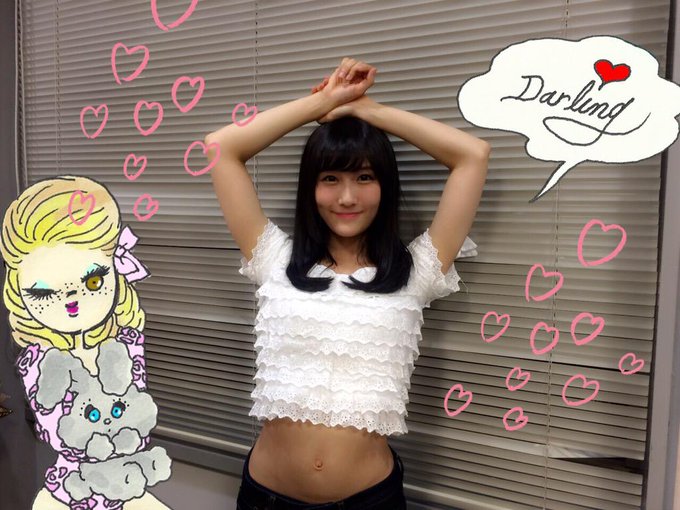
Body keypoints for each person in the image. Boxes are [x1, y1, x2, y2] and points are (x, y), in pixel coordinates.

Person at [205, 58, 489, 509]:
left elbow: (472, 155)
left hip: (367, 502)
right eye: (330, 179)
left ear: (384, 185)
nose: (347, 197)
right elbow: (221, 147)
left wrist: (365, 109)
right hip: (265, 498)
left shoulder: (416, 271)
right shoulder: (274, 259)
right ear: (311, 188)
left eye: (364, 177)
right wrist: (324, 102)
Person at [1, 176, 172, 510]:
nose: (71, 301)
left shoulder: (124, 341)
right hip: (69, 494)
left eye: (93, 282)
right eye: (44, 293)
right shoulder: (38, 360)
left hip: (130, 485)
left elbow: (140, 410)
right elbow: (60, 431)